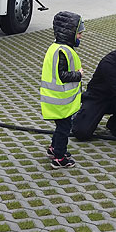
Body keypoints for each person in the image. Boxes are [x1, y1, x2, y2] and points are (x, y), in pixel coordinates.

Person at [40, 11, 84, 168]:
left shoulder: (57, 48)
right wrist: (78, 75)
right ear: (70, 33)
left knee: (61, 127)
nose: (80, 37)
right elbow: (63, 75)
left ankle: (54, 148)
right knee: (64, 129)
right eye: (79, 33)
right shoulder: (62, 51)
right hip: (59, 101)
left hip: (56, 100)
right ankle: (59, 157)